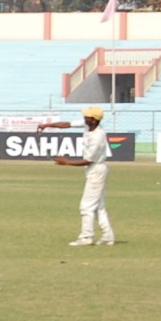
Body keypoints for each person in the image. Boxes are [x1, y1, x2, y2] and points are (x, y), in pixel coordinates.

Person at [40, 105, 116, 246]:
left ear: (93, 120)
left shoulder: (98, 136)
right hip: (94, 169)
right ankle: (107, 237)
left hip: (96, 170)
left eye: (87, 116)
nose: (84, 118)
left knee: (86, 206)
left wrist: (66, 162)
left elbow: (88, 160)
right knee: (99, 206)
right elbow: (67, 124)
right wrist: (47, 125)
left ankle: (86, 237)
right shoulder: (89, 126)